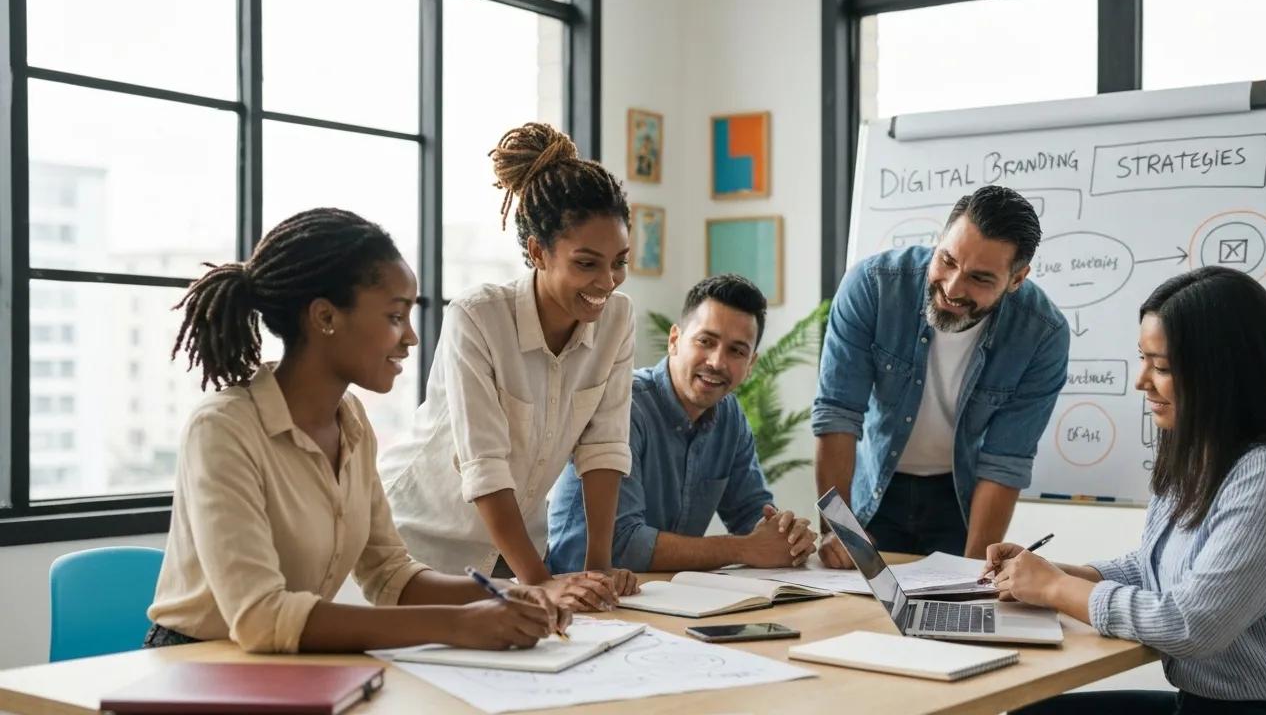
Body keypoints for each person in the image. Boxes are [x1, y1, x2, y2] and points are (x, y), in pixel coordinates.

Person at [147, 208, 567, 653]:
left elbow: (389, 573)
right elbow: (260, 616)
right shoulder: (222, 430)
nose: (411, 338)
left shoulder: (351, 422)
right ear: (325, 317)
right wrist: (458, 625)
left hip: (287, 669)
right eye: (394, 316)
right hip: (192, 665)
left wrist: (508, 595)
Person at [990, 267, 1266, 714]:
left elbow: (1192, 624)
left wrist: (1057, 589)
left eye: (1163, 367)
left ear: (1223, 374)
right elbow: (1156, 567)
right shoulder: (1200, 454)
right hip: (1206, 703)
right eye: (1142, 358)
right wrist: (1060, 573)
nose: (1141, 381)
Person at [379, 123, 639, 611]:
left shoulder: (616, 319)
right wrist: (541, 582)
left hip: (512, 550)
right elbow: (485, 465)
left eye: (619, 261)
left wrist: (598, 567)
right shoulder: (476, 318)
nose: (607, 282)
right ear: (538, 252)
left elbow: (604, 447)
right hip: (418, 543)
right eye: (587, 264)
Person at [812, 185, 1069, 566]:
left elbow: (1004, 462)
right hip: (872, 489)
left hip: (960, 497)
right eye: (947, 261)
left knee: (952, 607)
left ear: (1017, 279)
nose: (952, 288)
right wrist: (838, 529)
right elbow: (837, 415)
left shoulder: (1042, 334)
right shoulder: (872, 285)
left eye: (980, 279)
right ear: (940, 241)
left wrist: (972, 574)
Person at [546, 275, 818, 574]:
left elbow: (753, 516)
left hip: (663, 598)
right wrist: (746, 547)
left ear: (751, 364)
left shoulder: (729, 417)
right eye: (706, 341)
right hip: (578, 594)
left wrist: (788, 537)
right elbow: (621, 544)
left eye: (736, 351)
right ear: (674, 340)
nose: (717, 361)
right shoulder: (624, 406)